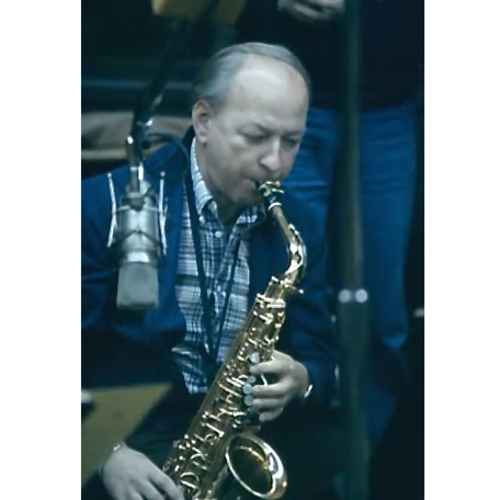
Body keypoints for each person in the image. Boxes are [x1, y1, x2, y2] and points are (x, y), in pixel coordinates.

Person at [82, 42, 339, 500]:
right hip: (127, 442)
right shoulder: (104, 206)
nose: (275, 162)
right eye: (256, 136)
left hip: (235, 450)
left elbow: (321, 356)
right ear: (203, 120)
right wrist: (104, 452)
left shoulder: (298, 226)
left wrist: (302, 377)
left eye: (291, 141)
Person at [237, 0, 424, 447]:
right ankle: (275, 447)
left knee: (381, 310)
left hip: (389, 95)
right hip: (283, 90)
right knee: (279, 289)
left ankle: (361, 459)